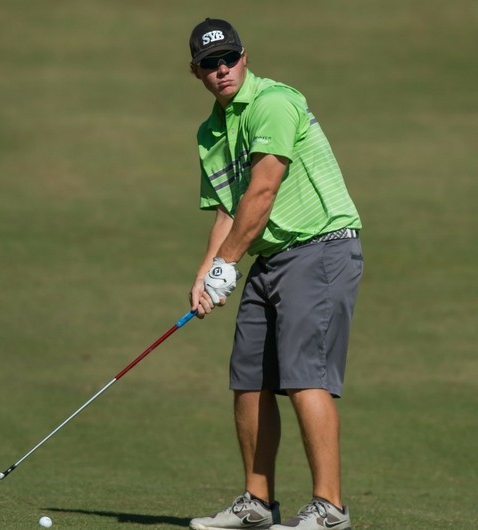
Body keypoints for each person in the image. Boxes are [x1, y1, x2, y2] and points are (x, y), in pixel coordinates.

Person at [184, 18, 364, 530]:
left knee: (305, 375)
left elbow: (262, 193)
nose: (222, 70)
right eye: (209, 64)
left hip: (322, 248)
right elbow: (228, 209)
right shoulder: (210, 133)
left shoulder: (275, 103)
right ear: (194, 71)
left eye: (229, 59)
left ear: (244, 56)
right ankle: (256, 505)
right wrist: (205, 274)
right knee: (249, 379)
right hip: (271, 257)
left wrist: (227, 265)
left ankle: (329, 508)